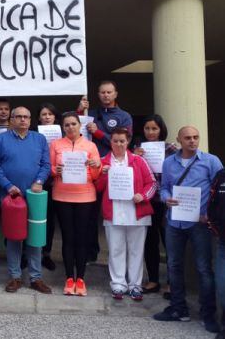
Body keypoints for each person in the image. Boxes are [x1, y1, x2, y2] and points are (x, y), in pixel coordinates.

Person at [153, 126, 222, 334]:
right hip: (174, 222)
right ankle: (178, 308)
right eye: (188, 138)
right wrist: (166, 199)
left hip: (200, 224)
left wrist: (209, 215)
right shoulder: (169, 162)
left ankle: (208, 313)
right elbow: (163, 187)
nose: (192, 141)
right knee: (173, 266)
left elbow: (220, 192)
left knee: (203, 268)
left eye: (196, 137)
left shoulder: (211, 161)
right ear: (179, 140)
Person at [0, 107, 52, 294]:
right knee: (13, 237)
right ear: (11, 120)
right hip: (12, 197)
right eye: (18, 116)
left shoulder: (39, 139)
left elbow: (46, 164)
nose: (22, 120)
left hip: (34, 196)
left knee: (35, 237)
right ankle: (15, 277)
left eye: (26, 117)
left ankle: (36, 277)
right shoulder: (1, 139)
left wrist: (39, 181)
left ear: (30, 120)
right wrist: (7, 185)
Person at [94, 127, 155, 301]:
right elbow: (97, 187)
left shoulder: (138, 161)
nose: (119, 144)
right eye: (115, 141)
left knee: (136, 251)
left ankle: (135, 285)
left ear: (127, 142)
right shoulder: (104, 162)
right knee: (115, 250)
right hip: (113, 213)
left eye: (122, 141)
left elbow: (152, 183)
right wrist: (103, 175)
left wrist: (142, 196)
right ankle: (118, 284)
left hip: (137, 212)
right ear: (110, 142)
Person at [78, 80, 133, 262]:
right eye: (102, 92)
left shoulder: (124, 116)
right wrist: (80, 111)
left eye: (109, 92)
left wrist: (99, 133)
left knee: (116, 212)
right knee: (90, 213)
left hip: (116, 170)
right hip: (94, 170)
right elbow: (75, 131)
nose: (106, 95)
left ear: (116, 94)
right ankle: (90, 251)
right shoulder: (91, 114)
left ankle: (118, 255)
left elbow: (122, 142)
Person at [49, 112, 102, 296]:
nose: (70, 127)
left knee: (81, 238)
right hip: (62, 195)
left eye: (73, 124)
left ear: (80, 125)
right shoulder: (56, 145)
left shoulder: (90, 145)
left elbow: (96, 176)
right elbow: (50, 169)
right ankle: (69, 277)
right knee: (67, 238)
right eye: (67, 125)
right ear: (63, 127)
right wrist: (55, 170)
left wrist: (96, 165)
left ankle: (81, 278)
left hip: (85, 197)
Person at [131, 114, 177, 294]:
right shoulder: (137, 148)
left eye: (154, 128)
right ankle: (153, 280)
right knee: (150, 241)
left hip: (166, 200)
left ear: (161, 130)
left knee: (169, 241)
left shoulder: (171, 148)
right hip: (147, 200)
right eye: (147, 129)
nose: (150, 132)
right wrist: (135, 157)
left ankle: (172, 281)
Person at [37, 103, 60, 271]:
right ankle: (29, 253)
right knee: (33, 218)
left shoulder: (61, 137)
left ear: (54, 117)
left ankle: (46, 253)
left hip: (54, 182)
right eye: (43, 114)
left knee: (49, 220)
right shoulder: (33, 135)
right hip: (37, 181)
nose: (47, 117)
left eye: (50, 114)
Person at [207, 168, 225, 338]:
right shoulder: (221, 175)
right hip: (222, 242)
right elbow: (212, 202)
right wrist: (214, 227)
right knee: (222, 285)